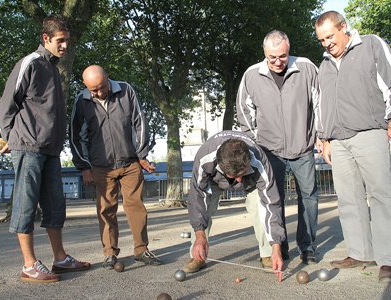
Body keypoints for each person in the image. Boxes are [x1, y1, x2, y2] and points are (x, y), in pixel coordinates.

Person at [0, 15, 91, 283]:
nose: (64, 47)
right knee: (26, 206)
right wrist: (8, 138)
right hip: (27, 147)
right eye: (60, 41)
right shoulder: (31, 63)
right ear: (45, 38)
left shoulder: (53, 69)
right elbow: (5, 106)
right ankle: (29, 265)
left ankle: (60, 259)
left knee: (55, 205)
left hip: (50, 150)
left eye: (67, 41)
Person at [314, 11, 391, 283]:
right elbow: (321, 104)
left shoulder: (371, 45)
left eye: (330, 36)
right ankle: (360, 252)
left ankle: (388, 258)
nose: (326, 43)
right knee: (348, 198)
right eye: (321, 40)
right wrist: (323, 138)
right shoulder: (323, 65)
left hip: (370, 132)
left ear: (343, 27)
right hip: (338, 140)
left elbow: (389, 84)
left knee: (381, 195)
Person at [236, 30, 319, 267]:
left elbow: (319, 102)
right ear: (265, 53)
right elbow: (244, 113)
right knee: (274, 200)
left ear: (288, 50)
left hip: (302, 147)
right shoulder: (251, 75)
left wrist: (320, 136)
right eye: (272, 57)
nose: (277, 62)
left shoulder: (306, 68)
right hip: (269, 151)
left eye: (282, 56)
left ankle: (308, 246)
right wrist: (255, 145)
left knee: (309, 198)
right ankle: (280, 247)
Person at [70, 65, 162, 270]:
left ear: (108, 79)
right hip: (101, 167)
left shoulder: (125, 90)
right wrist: (83, 166)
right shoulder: (81, 101)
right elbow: (75, 136)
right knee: (105, 210)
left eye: (102, 87)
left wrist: (141, 155)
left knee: (136, 206)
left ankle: (141, 249)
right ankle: (110, 254)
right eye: (94, 90)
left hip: (130, 162)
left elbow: (139, 121)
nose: (99, 93)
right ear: (86, 87)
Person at [183, 130, 286, 282]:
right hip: (215, 180)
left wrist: (277, 246)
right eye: (234, 176)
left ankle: (268, 254)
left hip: (251, 180)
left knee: (259, 207)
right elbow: (197, 197)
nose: (238, 180)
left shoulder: (259, 159)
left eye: (241, 174)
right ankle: (198, 254)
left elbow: (271, 203)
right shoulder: (205, 157)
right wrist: (200, 233)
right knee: (206, 207)